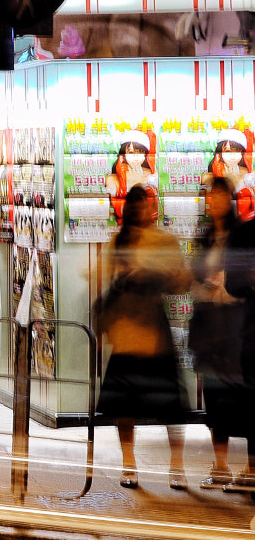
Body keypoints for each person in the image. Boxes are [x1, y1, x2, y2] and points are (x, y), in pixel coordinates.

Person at [96, 185, 191, 489]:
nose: (139, 210)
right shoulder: (118, 242)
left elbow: (180, 281)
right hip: (126, 331)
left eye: (144, 204)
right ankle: (129, 463)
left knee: (170, 406)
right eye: (134, 205)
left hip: (152, 331)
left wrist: (152, 274)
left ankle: (177, 465)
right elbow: (101, 277)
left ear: (151, 207)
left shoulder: (164, 240)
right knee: (124, 407)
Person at [190, 176, 255, 490]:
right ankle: (220, 466)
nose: (212, 201)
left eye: (218, 195)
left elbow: (244, 283)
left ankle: (251, 467)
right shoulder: (204, 236)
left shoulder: (241, 233)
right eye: (209, 195)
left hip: (237, 327)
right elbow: (194, 276)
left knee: (244, 398)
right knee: (215, 400)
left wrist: (222, 289)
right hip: (209, 328)